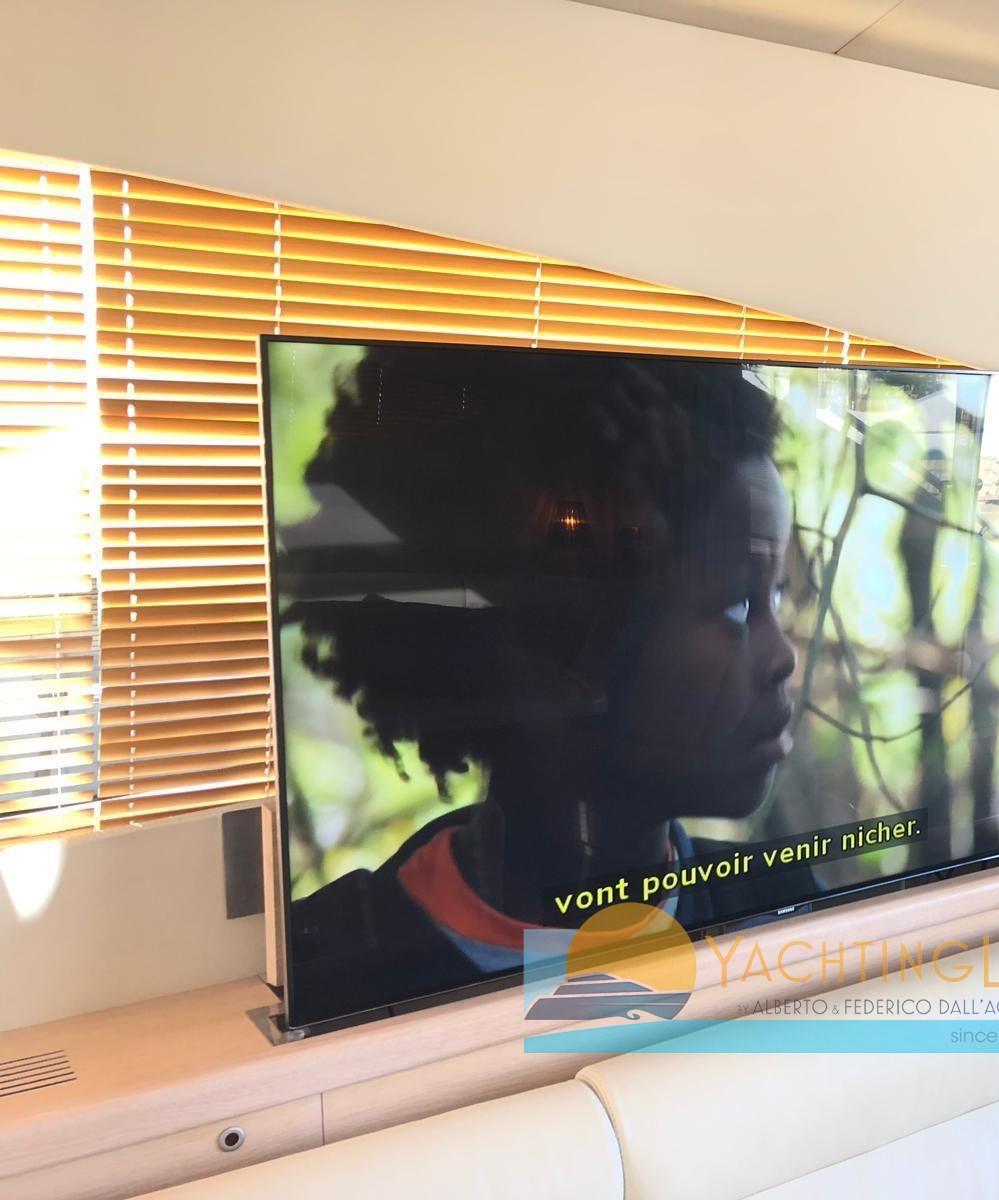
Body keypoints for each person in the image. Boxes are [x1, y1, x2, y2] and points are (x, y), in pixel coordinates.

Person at [279, 346, 806, 1023]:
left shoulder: (786, 904)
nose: (783, 657)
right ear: (553, 646)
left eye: (776, 595)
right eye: (738, 604)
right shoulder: (336, 970)